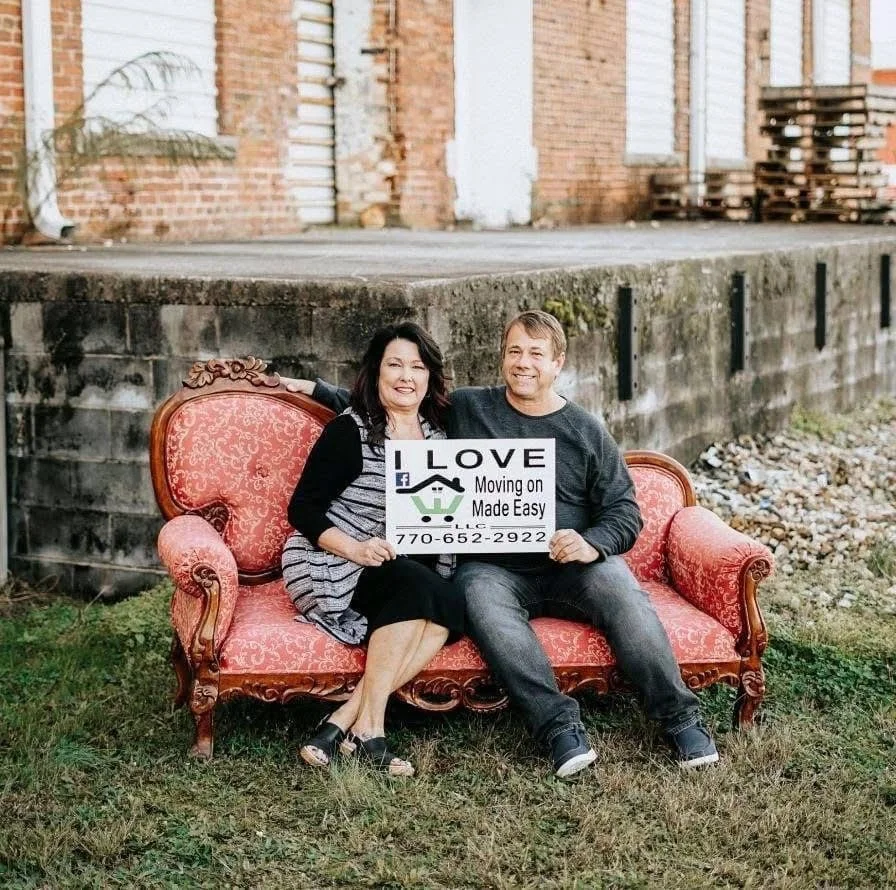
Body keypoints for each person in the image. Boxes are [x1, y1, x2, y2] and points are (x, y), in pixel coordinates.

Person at [289, 310, 718, 779]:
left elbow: (625, 512)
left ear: (558, 362)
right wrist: (315, 390)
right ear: (502, 359)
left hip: (573, 564)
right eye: (514, 351)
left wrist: (591, 543)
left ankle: (681, 720)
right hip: (493, 568)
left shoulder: (587, 430)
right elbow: (400, 400)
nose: (523, 363)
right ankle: (558, 729)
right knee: (476, 600)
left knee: (623, 596)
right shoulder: (470, 408)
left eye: (536, 353)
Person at [282, 322, 465, 777]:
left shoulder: (438, 434)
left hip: (395, 565)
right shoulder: (352, 431)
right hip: (331, 560)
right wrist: (355, 549)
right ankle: (372, 731)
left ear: (430, 377)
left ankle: (342, 720)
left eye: (417, 367)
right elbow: (302, 510)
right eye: (395, 365)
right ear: (376, 372)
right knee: (423, 595)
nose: (406, 376)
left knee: (445, 607)